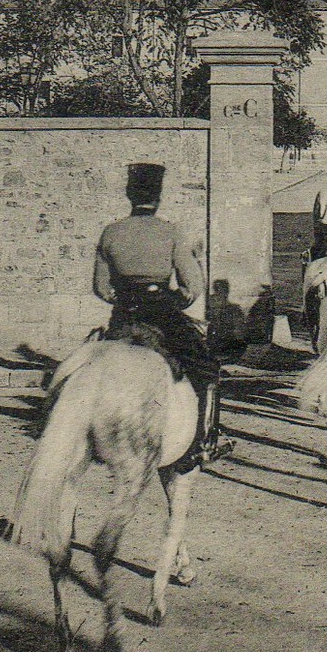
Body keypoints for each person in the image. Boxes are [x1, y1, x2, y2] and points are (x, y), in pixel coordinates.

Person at [95, 162, 228, 470]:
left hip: (124, 315)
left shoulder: (111, 232)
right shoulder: (171, 232)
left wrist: (124, 297)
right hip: (162, 313)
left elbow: (101, 288)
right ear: (158, 197)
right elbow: (192, 287)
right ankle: (206, 441)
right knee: (206, 367)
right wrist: (180, 298)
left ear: (129, 194)